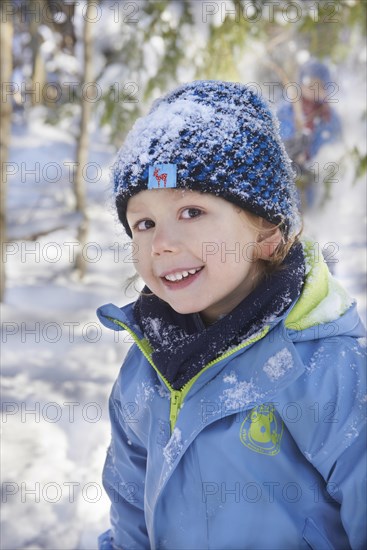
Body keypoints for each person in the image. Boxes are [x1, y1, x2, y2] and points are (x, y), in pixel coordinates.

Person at [97, 81, 366, 550]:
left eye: (192, 210)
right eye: (145, 223)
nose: (162, 242)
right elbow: (129, 506)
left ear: (265, 232)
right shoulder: (147, 365)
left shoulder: (329, 371)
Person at [277, 58, 342, 210]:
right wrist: (292, 146)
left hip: (314, 182)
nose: (313, 89)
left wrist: (314, 158)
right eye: (309, 83)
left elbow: (335, 147)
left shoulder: (329, 117)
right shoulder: (287, 110)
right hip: (286, 179)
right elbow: (278, 136)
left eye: (319, 85)